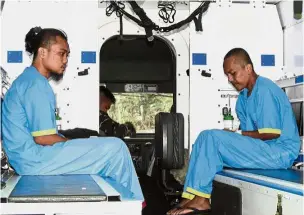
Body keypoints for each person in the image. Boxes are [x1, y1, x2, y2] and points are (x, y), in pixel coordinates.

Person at [1, 26, 144, 201]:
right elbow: (43, 138)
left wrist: (77, 145)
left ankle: (118, 202)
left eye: (67, 55)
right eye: (61, 53)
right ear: (42, 52)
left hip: (26, 159)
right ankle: (135, 204)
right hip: (34, 160)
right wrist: (71, 144)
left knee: (96, 145)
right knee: (116, 147)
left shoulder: (27, 79)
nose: (65, 60)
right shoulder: (36, 84)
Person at [167, 48, 300, 215]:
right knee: (204, 137)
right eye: (227, 75)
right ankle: (191, 196)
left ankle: (201, 200)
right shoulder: (243, 99)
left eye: (233, 73)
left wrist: (235, 136)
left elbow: (271, 133)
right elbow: (249, 135)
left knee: (213, 138)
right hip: (264, 149)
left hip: (280, 152)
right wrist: (234, 136)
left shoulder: (265, 90)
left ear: (248, 69)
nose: (230, 79)